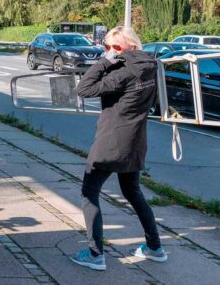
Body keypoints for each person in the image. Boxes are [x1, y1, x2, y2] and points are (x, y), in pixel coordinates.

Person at [70, 26, 167, 271]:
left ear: (130, 46)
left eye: (116, 47)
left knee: (89, 193)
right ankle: (154, 247)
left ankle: (95, 254)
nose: (111, 52)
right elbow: (155, 101)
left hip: (111, 142)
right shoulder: (151, 66)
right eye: (106, 47)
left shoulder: (123, 72)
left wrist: (103, 62)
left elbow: (83, 89)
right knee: (133, 192)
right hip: (135, 142)